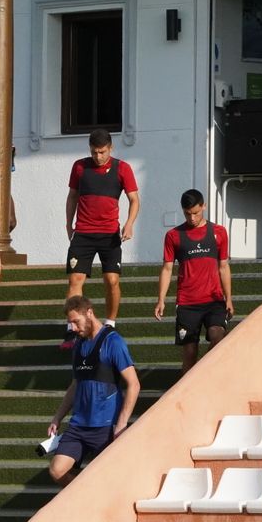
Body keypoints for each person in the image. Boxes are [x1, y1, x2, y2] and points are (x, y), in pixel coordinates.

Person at [46, 296, 140, 487]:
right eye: (70, 323)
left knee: (108, 480)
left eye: (76, 322)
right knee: (57, 470)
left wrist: (121, 424)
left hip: (105, 426)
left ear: (89, 313)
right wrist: (58, 417)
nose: (73, 328)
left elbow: (134, 384)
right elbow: (75, 385)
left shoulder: (113, 342)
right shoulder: (79, 344)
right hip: (79, 425)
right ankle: (85, 492)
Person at [63, 128, 139, 345]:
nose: (98, 156)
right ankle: (72, 326)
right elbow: (72, 196)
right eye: (95, 152)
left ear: (110, 148)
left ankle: (110, 323)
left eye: (102, 152)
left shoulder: (122, 168)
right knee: (75, 279)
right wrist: (68, 223)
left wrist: (129, 224)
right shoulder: (79, 166)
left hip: (109, 234)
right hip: (84, 233)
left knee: (111, 280)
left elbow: (135, 199)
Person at [155, 189, 234, 373]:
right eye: (187, 213)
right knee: (190, 352)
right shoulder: (174, 236)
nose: (192, 218)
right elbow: (167, 269)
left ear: (204, 206)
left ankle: (203, 376)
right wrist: (161, 299)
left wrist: (228, 298)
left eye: (196, 213)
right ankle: (185, 395)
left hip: (214, 300)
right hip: (187, 302)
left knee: (218, 336)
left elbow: (223, 266)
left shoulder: (219, 232)